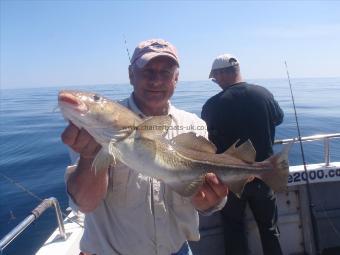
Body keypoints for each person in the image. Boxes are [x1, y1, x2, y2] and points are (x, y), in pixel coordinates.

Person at [61, 39, 228, 255]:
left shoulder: (194, 126)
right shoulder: (94, 129)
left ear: (176, 78)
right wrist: (88, 156)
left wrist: (211, 203)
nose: (156, 81)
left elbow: (205, 200)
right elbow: (85, 204)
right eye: (148, 71)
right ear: (131, 75)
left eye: (166, 73)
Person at [201, 54, 284, 255]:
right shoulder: (263, 94)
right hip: (264, 176)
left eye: (215, 77)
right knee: (270, 229)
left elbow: (205, 140)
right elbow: (279, 119)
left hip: (231, 180)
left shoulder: (212, 105)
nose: (216, 82)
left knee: (234, 229)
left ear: (222, 73)